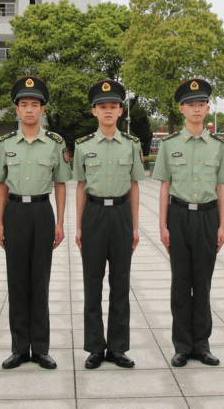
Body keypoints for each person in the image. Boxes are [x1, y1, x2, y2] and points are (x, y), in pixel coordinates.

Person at [152, 78, 224, 368]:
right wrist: (162, 226)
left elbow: (222, 187)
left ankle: (202, 344)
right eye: (191, 104)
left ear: (208, 108)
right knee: (180, 282)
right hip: (179, 215)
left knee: (203, 283)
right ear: (181, 109)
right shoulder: (169, 144)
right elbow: (164, 186)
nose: (196, 109)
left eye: (201, 104)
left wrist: (223, 226)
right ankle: (182, 346)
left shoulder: (218, 146)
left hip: (208, 217)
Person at [0, 76, 70, 370]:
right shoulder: (5, 144)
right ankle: (18, 348)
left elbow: (61, 183)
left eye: (34, 105)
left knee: (40, 282)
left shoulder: (54, 143)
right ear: (16, 110)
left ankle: (40, 348)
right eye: (23, 104)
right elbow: (0, 184)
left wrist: (60, 222)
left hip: (42, 212)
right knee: (17, 283)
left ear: (42, 110)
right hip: (14, 212)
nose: (28, 110)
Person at [73, 79, 144, 369]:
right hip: (94, 214)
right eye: (102, 107)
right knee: (92, 282)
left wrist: (136, 226)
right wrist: (78, 227)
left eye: (113, 107)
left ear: (120, 112)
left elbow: (135, 186)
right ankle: (94, 347)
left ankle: (117, 347)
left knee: (120, 283)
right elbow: (80, 186)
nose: (107, 111)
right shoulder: (83, 146)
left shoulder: (131, 144)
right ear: (94, 111)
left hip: (121, 214)